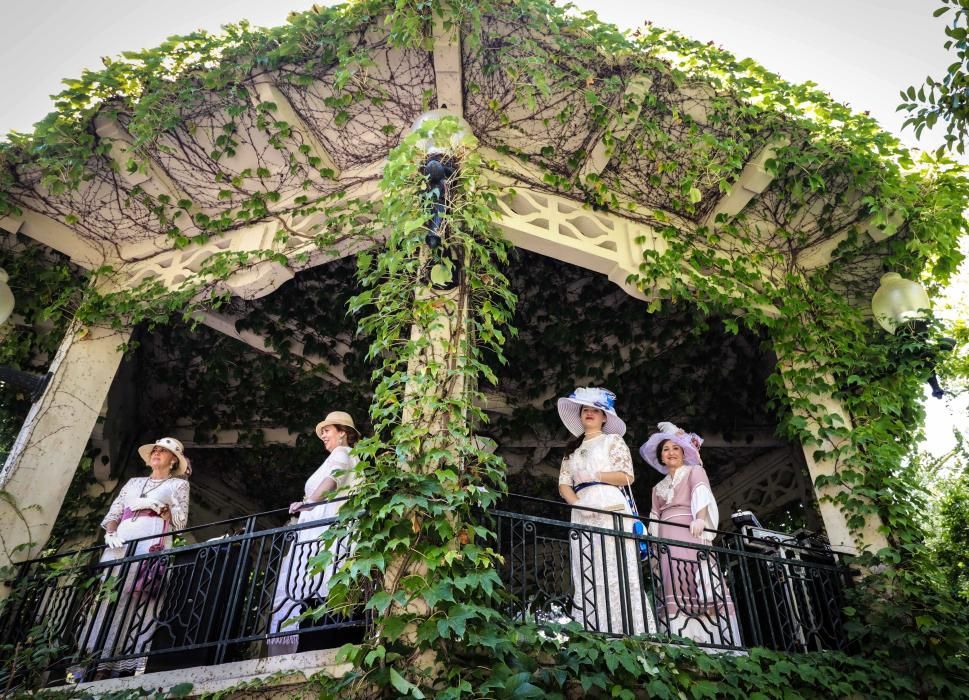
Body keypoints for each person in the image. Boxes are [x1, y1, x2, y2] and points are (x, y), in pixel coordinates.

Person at [81, 437, 191, 678]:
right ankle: (93, 662)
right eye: (156, 450)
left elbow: (180, 523)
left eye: (164, 451)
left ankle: (126, 665)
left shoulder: (178, 486)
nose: (157, 453)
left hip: (150, 542)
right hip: (121, 541)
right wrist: (110, 532)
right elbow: (115, 512)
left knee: (140, 602)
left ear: (173, 460)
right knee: (107, 597)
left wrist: (160, 508)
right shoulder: (133, 483)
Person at [556, 387, 654, 636]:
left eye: (594, 410)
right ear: (580, 416)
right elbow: (563, 484)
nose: (589, 413)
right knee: (587, 565)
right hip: (581, 507)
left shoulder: (613, 441)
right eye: (585, 410)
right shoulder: (572, 450)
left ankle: (630, 630)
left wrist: (596, 475)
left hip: (609, 501)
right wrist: (577, 503)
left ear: (604, 417)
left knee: (616, 562)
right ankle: (593, 629)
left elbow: (626, 476)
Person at [268, 411, 361, 656]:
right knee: (317, 584)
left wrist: (308, 502)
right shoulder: (337, 456)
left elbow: (334, 479)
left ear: (343, 432)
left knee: (320, 583)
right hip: (318, 532)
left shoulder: (343, 453)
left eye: (327, 430)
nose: (323, 436)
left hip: (325, 533)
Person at [641, 422, 740, 647]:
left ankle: (710, 638)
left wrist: (699, 519)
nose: (671, 452)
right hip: (666, 536)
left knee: (697, 577)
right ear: (661, 457)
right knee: (672, 580)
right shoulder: (657, 488)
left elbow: (701, 492)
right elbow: (654, 518)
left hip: (689, 529)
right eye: (666, 449)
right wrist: (654, 546)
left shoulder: (695, 470)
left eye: (675, 448)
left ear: (683, 452)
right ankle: (680, 638)